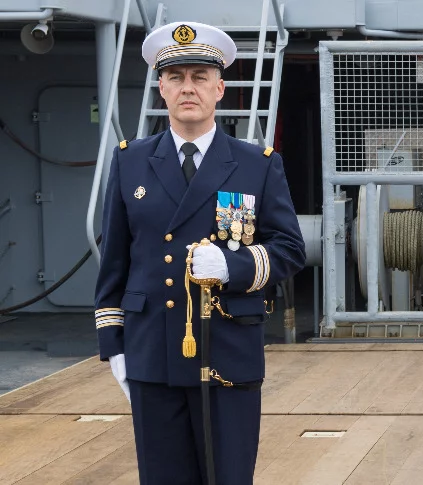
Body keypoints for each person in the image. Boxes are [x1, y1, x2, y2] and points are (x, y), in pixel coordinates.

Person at [94, 21, 305, 484]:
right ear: (162, 88)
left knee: (228, 476)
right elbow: (115, 261)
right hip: (153, 351)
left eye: (199, 77)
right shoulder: (131, 161)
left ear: (220, 88)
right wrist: (115, 347)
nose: (188, 88)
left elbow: (290, 248)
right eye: (176, 77)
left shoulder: (257, 164)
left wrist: (231, 266)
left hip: (226, 349)